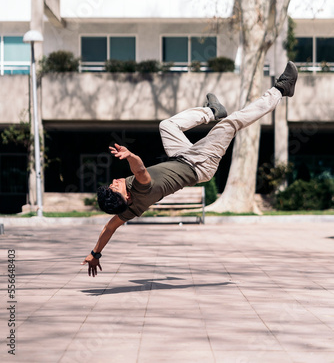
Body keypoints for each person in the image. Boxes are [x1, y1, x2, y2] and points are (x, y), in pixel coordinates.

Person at [81, 61, 298, 276]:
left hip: (182, 157)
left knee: (167, 126)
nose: (114, 182)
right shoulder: (141, 190)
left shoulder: (126, 210)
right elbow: (139, 170)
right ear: (127, 197)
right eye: (115, 188)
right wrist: (130, 155)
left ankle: (212, 111)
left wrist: (95, 253)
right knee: (231, 123)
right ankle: (281, 89)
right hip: (201, 164)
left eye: (112, 185)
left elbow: (109, 228)